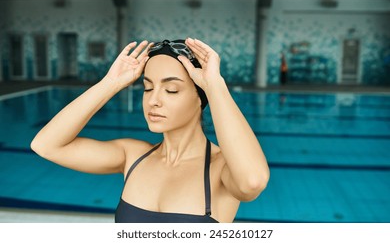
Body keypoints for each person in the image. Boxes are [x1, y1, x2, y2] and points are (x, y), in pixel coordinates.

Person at [31, 38, 270, 223]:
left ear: (200, 97)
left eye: (171, 90)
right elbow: (46, 145)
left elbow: (252, 182)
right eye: (147, 88)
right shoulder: (133, 156)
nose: (153, 100)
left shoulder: (220, 169)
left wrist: (215, 86)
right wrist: (111, 83)